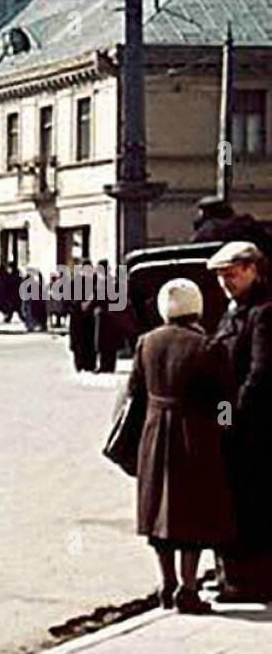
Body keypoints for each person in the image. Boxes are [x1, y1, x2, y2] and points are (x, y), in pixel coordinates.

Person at [126, 279, 235, 614]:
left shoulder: (146, 343)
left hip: (155, 432)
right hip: (196, 435)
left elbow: (134, 393)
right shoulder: (208, 346)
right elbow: (224, 400)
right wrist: (225, 430)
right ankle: (189, 589)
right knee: (194, 511)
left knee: (158, 511)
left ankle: (167, 582)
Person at [208, 240, 272, 601]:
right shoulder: (234, 310)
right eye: (220, 277)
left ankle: (252, 582)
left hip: (257, 430)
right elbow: (221, 372)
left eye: (231, 275)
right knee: (234, 502)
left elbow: (260, 375)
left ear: (251, 269)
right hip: (233, 424)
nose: (225, 283)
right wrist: (221, 419)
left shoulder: (263, 313)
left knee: (253, 505)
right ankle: (236, 576)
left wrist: (231, 420)